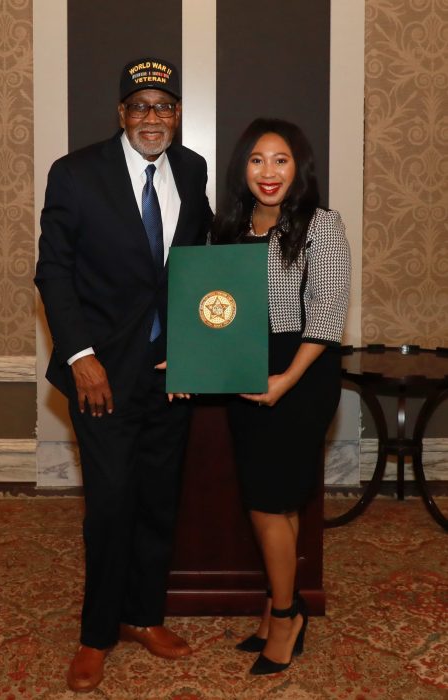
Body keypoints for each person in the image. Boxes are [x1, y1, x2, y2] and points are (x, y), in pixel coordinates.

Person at [35, 57, 212, 693]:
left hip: (171, 372)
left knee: (159, 498)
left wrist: (196, 348)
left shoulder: (192, 170)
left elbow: (197, 265)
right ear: (120, 114)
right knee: (109, 506)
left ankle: (143, 615)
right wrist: (81, 358)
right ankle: (96, 633)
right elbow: (53, 272)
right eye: (140, 106)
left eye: (164, 106)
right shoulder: (76, 174)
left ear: (177, 114)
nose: (153, 118)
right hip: (102, 373)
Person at [212, 118, 350, 676]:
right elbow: (214, 309)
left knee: (271, 503)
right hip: (247, 368)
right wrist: (192, 354)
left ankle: (289, 616)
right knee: (272, 501)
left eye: (281, 160)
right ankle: (277, 607)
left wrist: (285, 381)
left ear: (300, 168)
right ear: (241, 169)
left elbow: (328, 310)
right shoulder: (227, 230)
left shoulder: (322, 225)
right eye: (257, 160)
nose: (269, 173)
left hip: (302, 372)